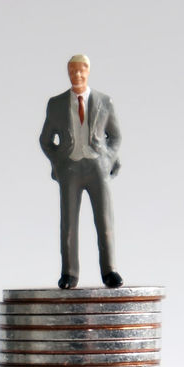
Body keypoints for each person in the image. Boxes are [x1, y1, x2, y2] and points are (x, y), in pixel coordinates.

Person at [38, 54, 124, 289]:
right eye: (73, 71)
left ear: (88, 72)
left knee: (104, 220)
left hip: (97, 167)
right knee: (68, 222)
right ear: (68, 73)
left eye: (81, 71)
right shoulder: (56, 104)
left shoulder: (105, 101)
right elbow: (46, 140)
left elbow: (115, 136)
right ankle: (69, 273)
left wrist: (107, 159)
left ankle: (110, 271)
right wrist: (59, 163)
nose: (77, 75)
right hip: (71, 169)